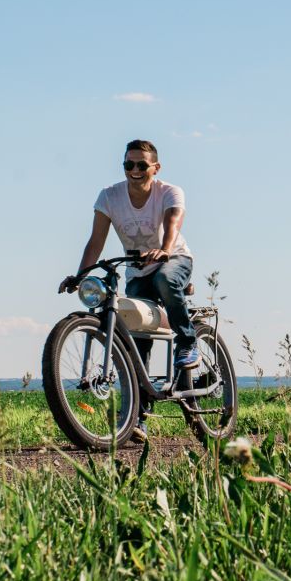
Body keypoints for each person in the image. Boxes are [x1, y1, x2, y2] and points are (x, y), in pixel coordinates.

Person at [59, 139, 198, 442]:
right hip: (137, 269)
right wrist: (80, 276)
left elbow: (173, 222)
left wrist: (163, 250)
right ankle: (139, 417)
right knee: (136, 337)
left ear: (155, 168)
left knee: (164, 280)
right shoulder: (109, 197)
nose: (134, 170)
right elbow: (95, 241)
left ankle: (188, 343)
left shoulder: (170, 192)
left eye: (141, 165)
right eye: (128, 165)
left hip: (173, 258)